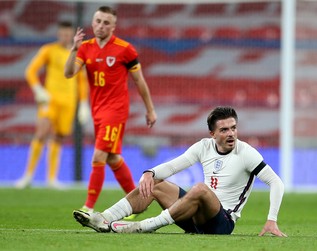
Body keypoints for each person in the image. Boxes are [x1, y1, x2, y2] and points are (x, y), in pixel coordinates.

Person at [73, 106, 287, 237]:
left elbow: (276, 182)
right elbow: (174, 166)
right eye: (224, 129)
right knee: (156, 182)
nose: (231, 133)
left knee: (201, 189)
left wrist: (271, 219)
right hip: (194, 217)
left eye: (233, 128)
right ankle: (104, 218)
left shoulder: (246, 153)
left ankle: (143, 226)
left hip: (222, 223)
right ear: (212, 133)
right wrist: (149, 172)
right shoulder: (203, 146)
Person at [64, 6, 157, 212]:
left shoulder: (125, 49)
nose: (101, 26)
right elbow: (69, 73)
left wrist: (150, 109)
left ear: (114, 26)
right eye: (98, 21)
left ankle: (88, 208)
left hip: (116, 111)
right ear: (92, 22)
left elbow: (139, 81)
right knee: (112, 158)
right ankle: (138, 203)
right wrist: (73, 50)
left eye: (106, 23)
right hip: (97, 110)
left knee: (98, 156)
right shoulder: (85, 47)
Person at [15, 21, 89, 189]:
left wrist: (83, 103)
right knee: (41, 133)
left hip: (69, 102)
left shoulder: (78, 55)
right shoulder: (48, 50)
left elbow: (82, 81)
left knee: (59, 137)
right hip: (50, 100)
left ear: (72, 35)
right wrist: (38, 90)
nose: (65, 37)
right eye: (62, 34)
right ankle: (28, 176)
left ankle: (51, 179)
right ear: (58, 34)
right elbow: (30, 71)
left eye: (68, 34)